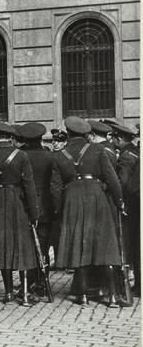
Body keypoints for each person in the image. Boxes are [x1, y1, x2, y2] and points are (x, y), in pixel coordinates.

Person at [51, 116, 124, 307]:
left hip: (73, 199)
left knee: (78, 246)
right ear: (87, 134)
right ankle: (114, 296)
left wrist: (59, 211)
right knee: (106, 246)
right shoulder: (98, 150)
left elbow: (55, 188)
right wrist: (119, 201)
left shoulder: (59, 155)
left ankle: (82, 295)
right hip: (97, 197)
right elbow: (113, 179)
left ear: (68, 133)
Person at [0, 122, 39, 306]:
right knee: (22, 246)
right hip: (17, 202)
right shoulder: (21, 155)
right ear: (10, 137)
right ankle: (26, 293)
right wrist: (34, 212)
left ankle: (8, 293)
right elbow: (29, 186)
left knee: (3, 244)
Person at [18, 122, 54, 298]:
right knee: (44, 247)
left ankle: (26, 282)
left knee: (25, 247)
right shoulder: (49, 156)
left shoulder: (20, 156)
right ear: (41, 138)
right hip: (45, 207)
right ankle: (42, 281)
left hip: (24, 207)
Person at [113, 123, 140, 297]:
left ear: (120, 139)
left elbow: (123, 183)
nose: (113, 141)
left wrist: (119, 201)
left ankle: (138, 285)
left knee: (134, 245)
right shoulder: (134, 152)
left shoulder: (126, 156)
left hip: (132, 206)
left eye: (115, 138)